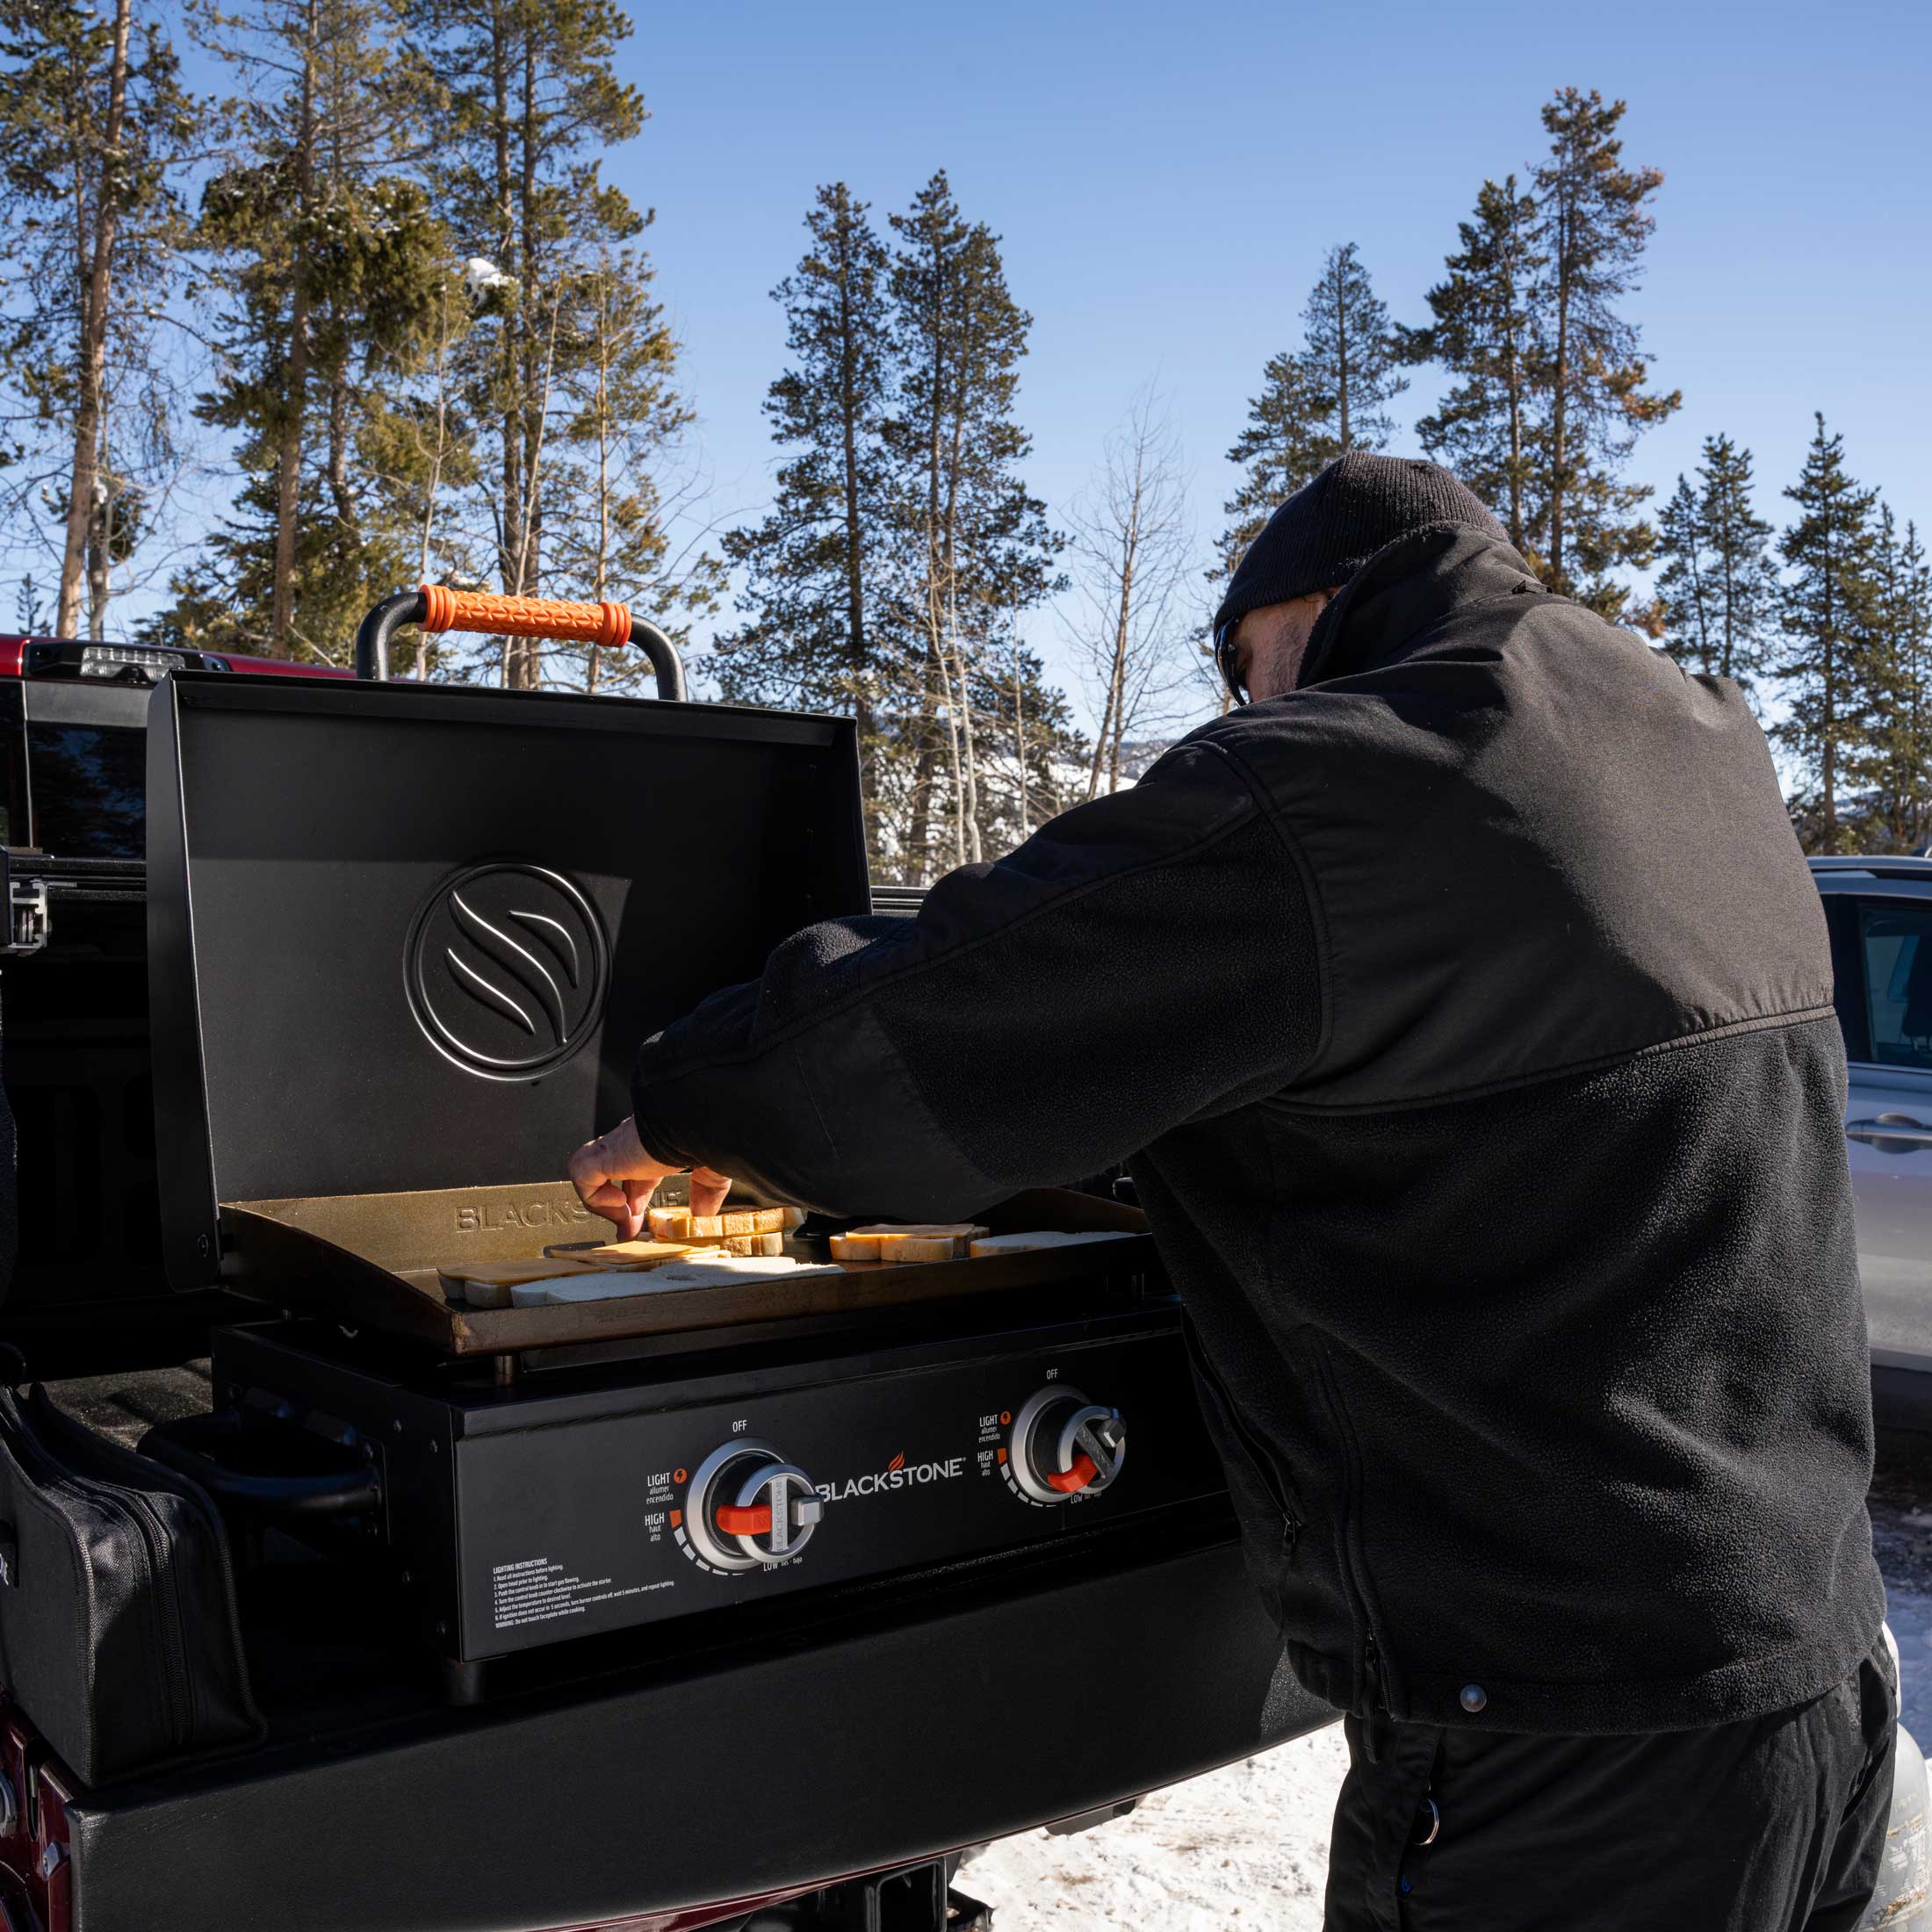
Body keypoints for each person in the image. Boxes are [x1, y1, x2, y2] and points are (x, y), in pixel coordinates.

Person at [569, 453, 1892, 1930]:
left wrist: (684, 1101)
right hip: (1818, 1667)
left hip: (1571, 1727)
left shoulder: (1346, 776)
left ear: (1318, 604)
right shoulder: (1690, 734)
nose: (1249, 704)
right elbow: (1503, 1109)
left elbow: (937, 1034)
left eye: (1247, 664)